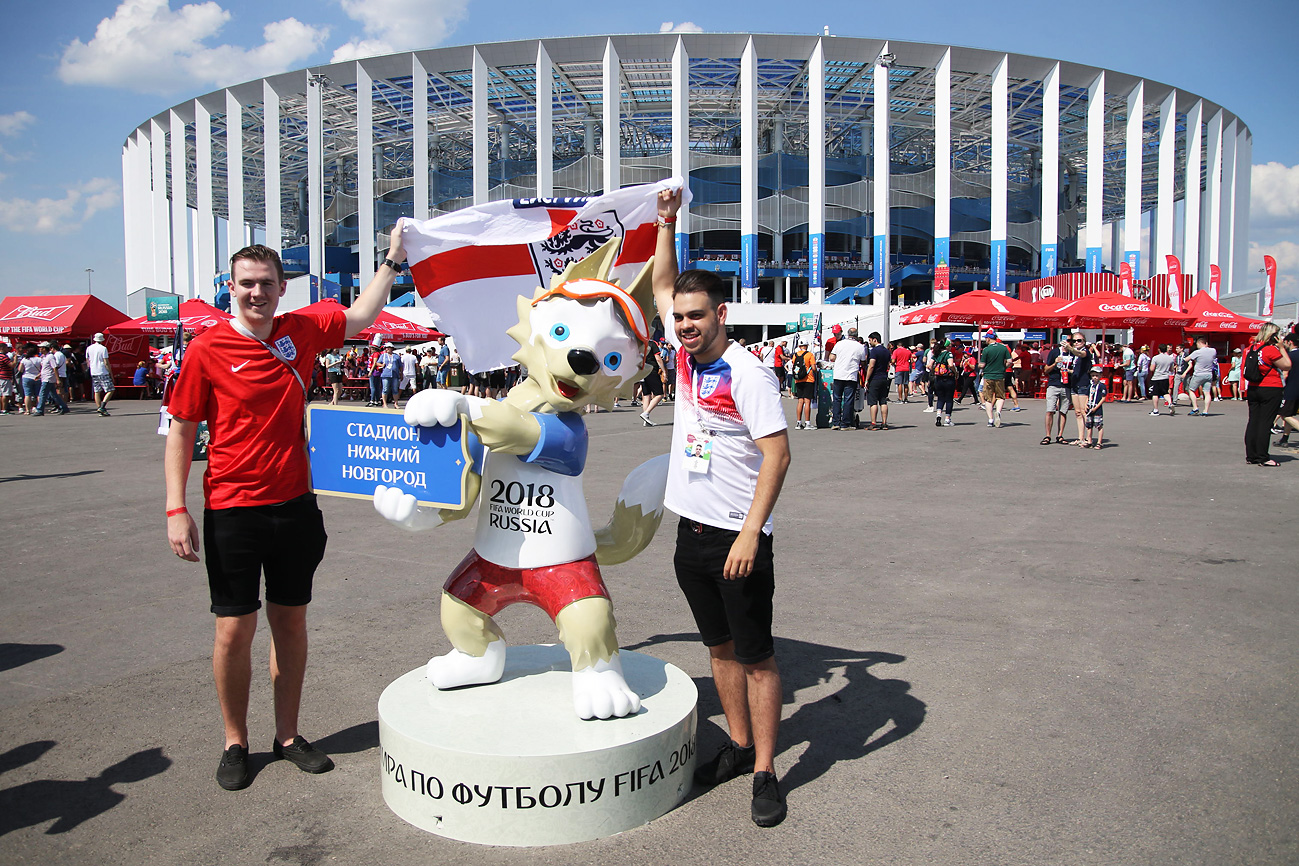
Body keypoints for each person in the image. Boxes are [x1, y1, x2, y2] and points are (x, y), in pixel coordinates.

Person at [164, 227, 405, 791]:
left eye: (266, 283)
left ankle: (288, 735)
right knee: (234, 630)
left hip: (295, 508)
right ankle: (234, 740)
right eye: (246, 284)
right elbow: (181, 432)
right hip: (233, 509)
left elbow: (363, 314)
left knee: (290, 622)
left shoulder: (301, 328)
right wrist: (175, 507)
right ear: (230, 286)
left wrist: (393, 258)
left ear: (282, 288)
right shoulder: (207, 348)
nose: (256, 293)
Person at [651, 189, 791, 827]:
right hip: (691, 535)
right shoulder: (683, 356)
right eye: (680, 316)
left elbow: (778, 455)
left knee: (756, 657)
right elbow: (659, 281)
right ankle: (737, 747)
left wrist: (751, 535)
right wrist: (666, 222)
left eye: (697, 315)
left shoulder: (748, 373)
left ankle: (765, 770)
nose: (686, 325)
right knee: (719, 650)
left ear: (722, 313)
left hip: (739, 540)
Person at [1243, 322, 1292, 466]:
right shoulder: (1270, 350)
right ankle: (1262, 457)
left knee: (1253, 421)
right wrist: (1282, 348)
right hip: (1270, 388)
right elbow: (1287, 365)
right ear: (1273, 336)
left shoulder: (1251, 348)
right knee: (1265, 423)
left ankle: (1251, 455)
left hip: (1253, 387)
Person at [827, 328, 865, 430]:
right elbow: (863, 361)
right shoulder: (860, 347)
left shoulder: (840, 344)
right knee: (849, 399)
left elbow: (832, 357)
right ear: (856, 335)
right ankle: (845, 423)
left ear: (848, 334)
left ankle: (836, 422)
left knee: (837, 398)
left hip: (839, 374)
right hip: (851, 375)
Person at [978, 330, 1011, 428]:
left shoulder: (986, 350)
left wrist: (979, 366)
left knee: (988, 398)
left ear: (988, 338)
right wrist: (1003, 367)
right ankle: (998, 412)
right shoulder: (1003, 348)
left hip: (988, 375)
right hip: (1000, 375)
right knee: (1000, 396)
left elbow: (982, 364)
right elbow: (1009, 361)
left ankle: (990, 419)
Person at [1041, 338, 1070, 444]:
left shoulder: (1073, 353)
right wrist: (1055, 363)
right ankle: (1048, 435)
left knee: (1063, 411)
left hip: (1066, 384)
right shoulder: (1055, 352)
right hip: (1054, 384)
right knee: (1050, 410)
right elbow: (1046, 370)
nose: (1068, 343)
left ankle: (1060, 435)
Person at [1274, 331, 1299, 449]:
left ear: (1290, 342)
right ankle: (1285, 438)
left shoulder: (1290, 357)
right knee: (1288, 414)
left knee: (1285, 414)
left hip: (1292, 389)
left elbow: (1285, 374)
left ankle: (1285, 438)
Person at [863, 331, 891, 429]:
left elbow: (871, 366)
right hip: (884, 377)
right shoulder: (887, 351)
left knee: (873, 402)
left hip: (875, 378)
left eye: (870, 340)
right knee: (883, 401)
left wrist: (866, 379)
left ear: (875, 340)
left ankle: (873, 423)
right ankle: (884, 423)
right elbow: (888, 364)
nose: (869, 343)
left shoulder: (874, 351)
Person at [1183, 336, 1217, 416]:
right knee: (1207, 393)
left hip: (1198, 374)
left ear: (1199, 343)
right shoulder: (1213, 351)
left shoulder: (1197, 352)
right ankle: (1205, 411)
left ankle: (1195, 408)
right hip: (1209, 374)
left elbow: (1186, 359)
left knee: (1191, 390)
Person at [929, 339, 957, 427]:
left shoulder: (936, 354)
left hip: (938, 379)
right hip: (948, 378)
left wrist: (934, 372)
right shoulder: (948, 354)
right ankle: (947, 419)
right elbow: (951, 364)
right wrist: (955, 372)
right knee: (949, 399)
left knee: (940, 398)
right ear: (947, 346)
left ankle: (938, 415)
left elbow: (929, 365)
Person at [792, 340, 817, 429]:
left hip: (798, 380)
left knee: (800, 401)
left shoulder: (795, 355)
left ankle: (798, 422)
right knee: (807, 401)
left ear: (799, 346)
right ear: (806, 345)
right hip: (808, 379)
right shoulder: (809, 355)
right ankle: (807, 423)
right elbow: (814, 368)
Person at [639, 341, 665, 426]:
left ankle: (646, 420)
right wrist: (664, 370)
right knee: (659, 394)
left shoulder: (639, 344)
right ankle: (646, 413)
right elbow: (658, 358)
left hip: (642, 370)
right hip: (651, 370)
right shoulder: (652, 343)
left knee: (646, 395)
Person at [1083, 366, 1107, 449]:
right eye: (1093, 375)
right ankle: (1089, 440)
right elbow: (1087, 396)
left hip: (1097, 408)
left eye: (1096, 375)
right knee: (1089, 425)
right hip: (1090, 408)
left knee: (1098, 425)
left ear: (1100, 376)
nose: (1094, 377)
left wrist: (1096, 407)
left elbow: (1103, 398)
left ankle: (1099, 442)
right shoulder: (1090, 386)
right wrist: (1086, 405)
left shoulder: (1102, 386)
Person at [1148, 345, 1176, 416]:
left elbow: (1152, 369)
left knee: (1155, 394)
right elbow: (1172, 369)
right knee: (1165, 393)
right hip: (1165, 377)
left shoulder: (1155, 358)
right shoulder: (1170, 359)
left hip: (1156, 378)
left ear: (1159, 349)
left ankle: (1156, 410)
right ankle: (1170, 403)